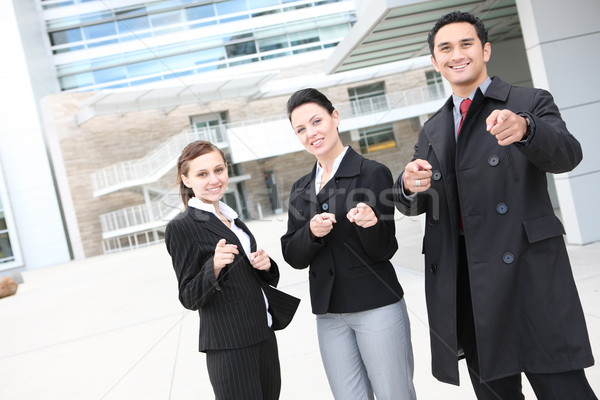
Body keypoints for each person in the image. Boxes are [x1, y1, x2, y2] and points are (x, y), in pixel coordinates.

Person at [394, 10, 597, 400]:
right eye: (445, 48)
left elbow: (568, 155)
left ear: (485, 50)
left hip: (529, 274)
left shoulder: (528, 101)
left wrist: (526, 129)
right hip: (468, 285)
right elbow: (419, 201)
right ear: (435, 62)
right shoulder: (434, 127)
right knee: (495, 395)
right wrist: (407, 185)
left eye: (466, 43)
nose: (457, 54)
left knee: (564, 390)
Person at [281, 88, 416, 400]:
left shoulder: (371, 173)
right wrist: (311, 232)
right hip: (329, 315)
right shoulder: (300, 188)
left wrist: (370, 225)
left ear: (335, 117)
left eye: (316, 121)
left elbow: (385, 249)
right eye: (301, 129)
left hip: (376, 306)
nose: (311, 133)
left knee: (394, 394)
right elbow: (293, 254)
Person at [165, 140, 297, 400]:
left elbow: (250, 277)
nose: (214, 179)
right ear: (186, 179)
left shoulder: (232, 219)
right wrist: (212, 266)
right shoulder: (182, 227)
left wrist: (266, 266)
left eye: (219, 170)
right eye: (202, 174)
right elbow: (189, 296)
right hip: (230, 345)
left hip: (263, 333)